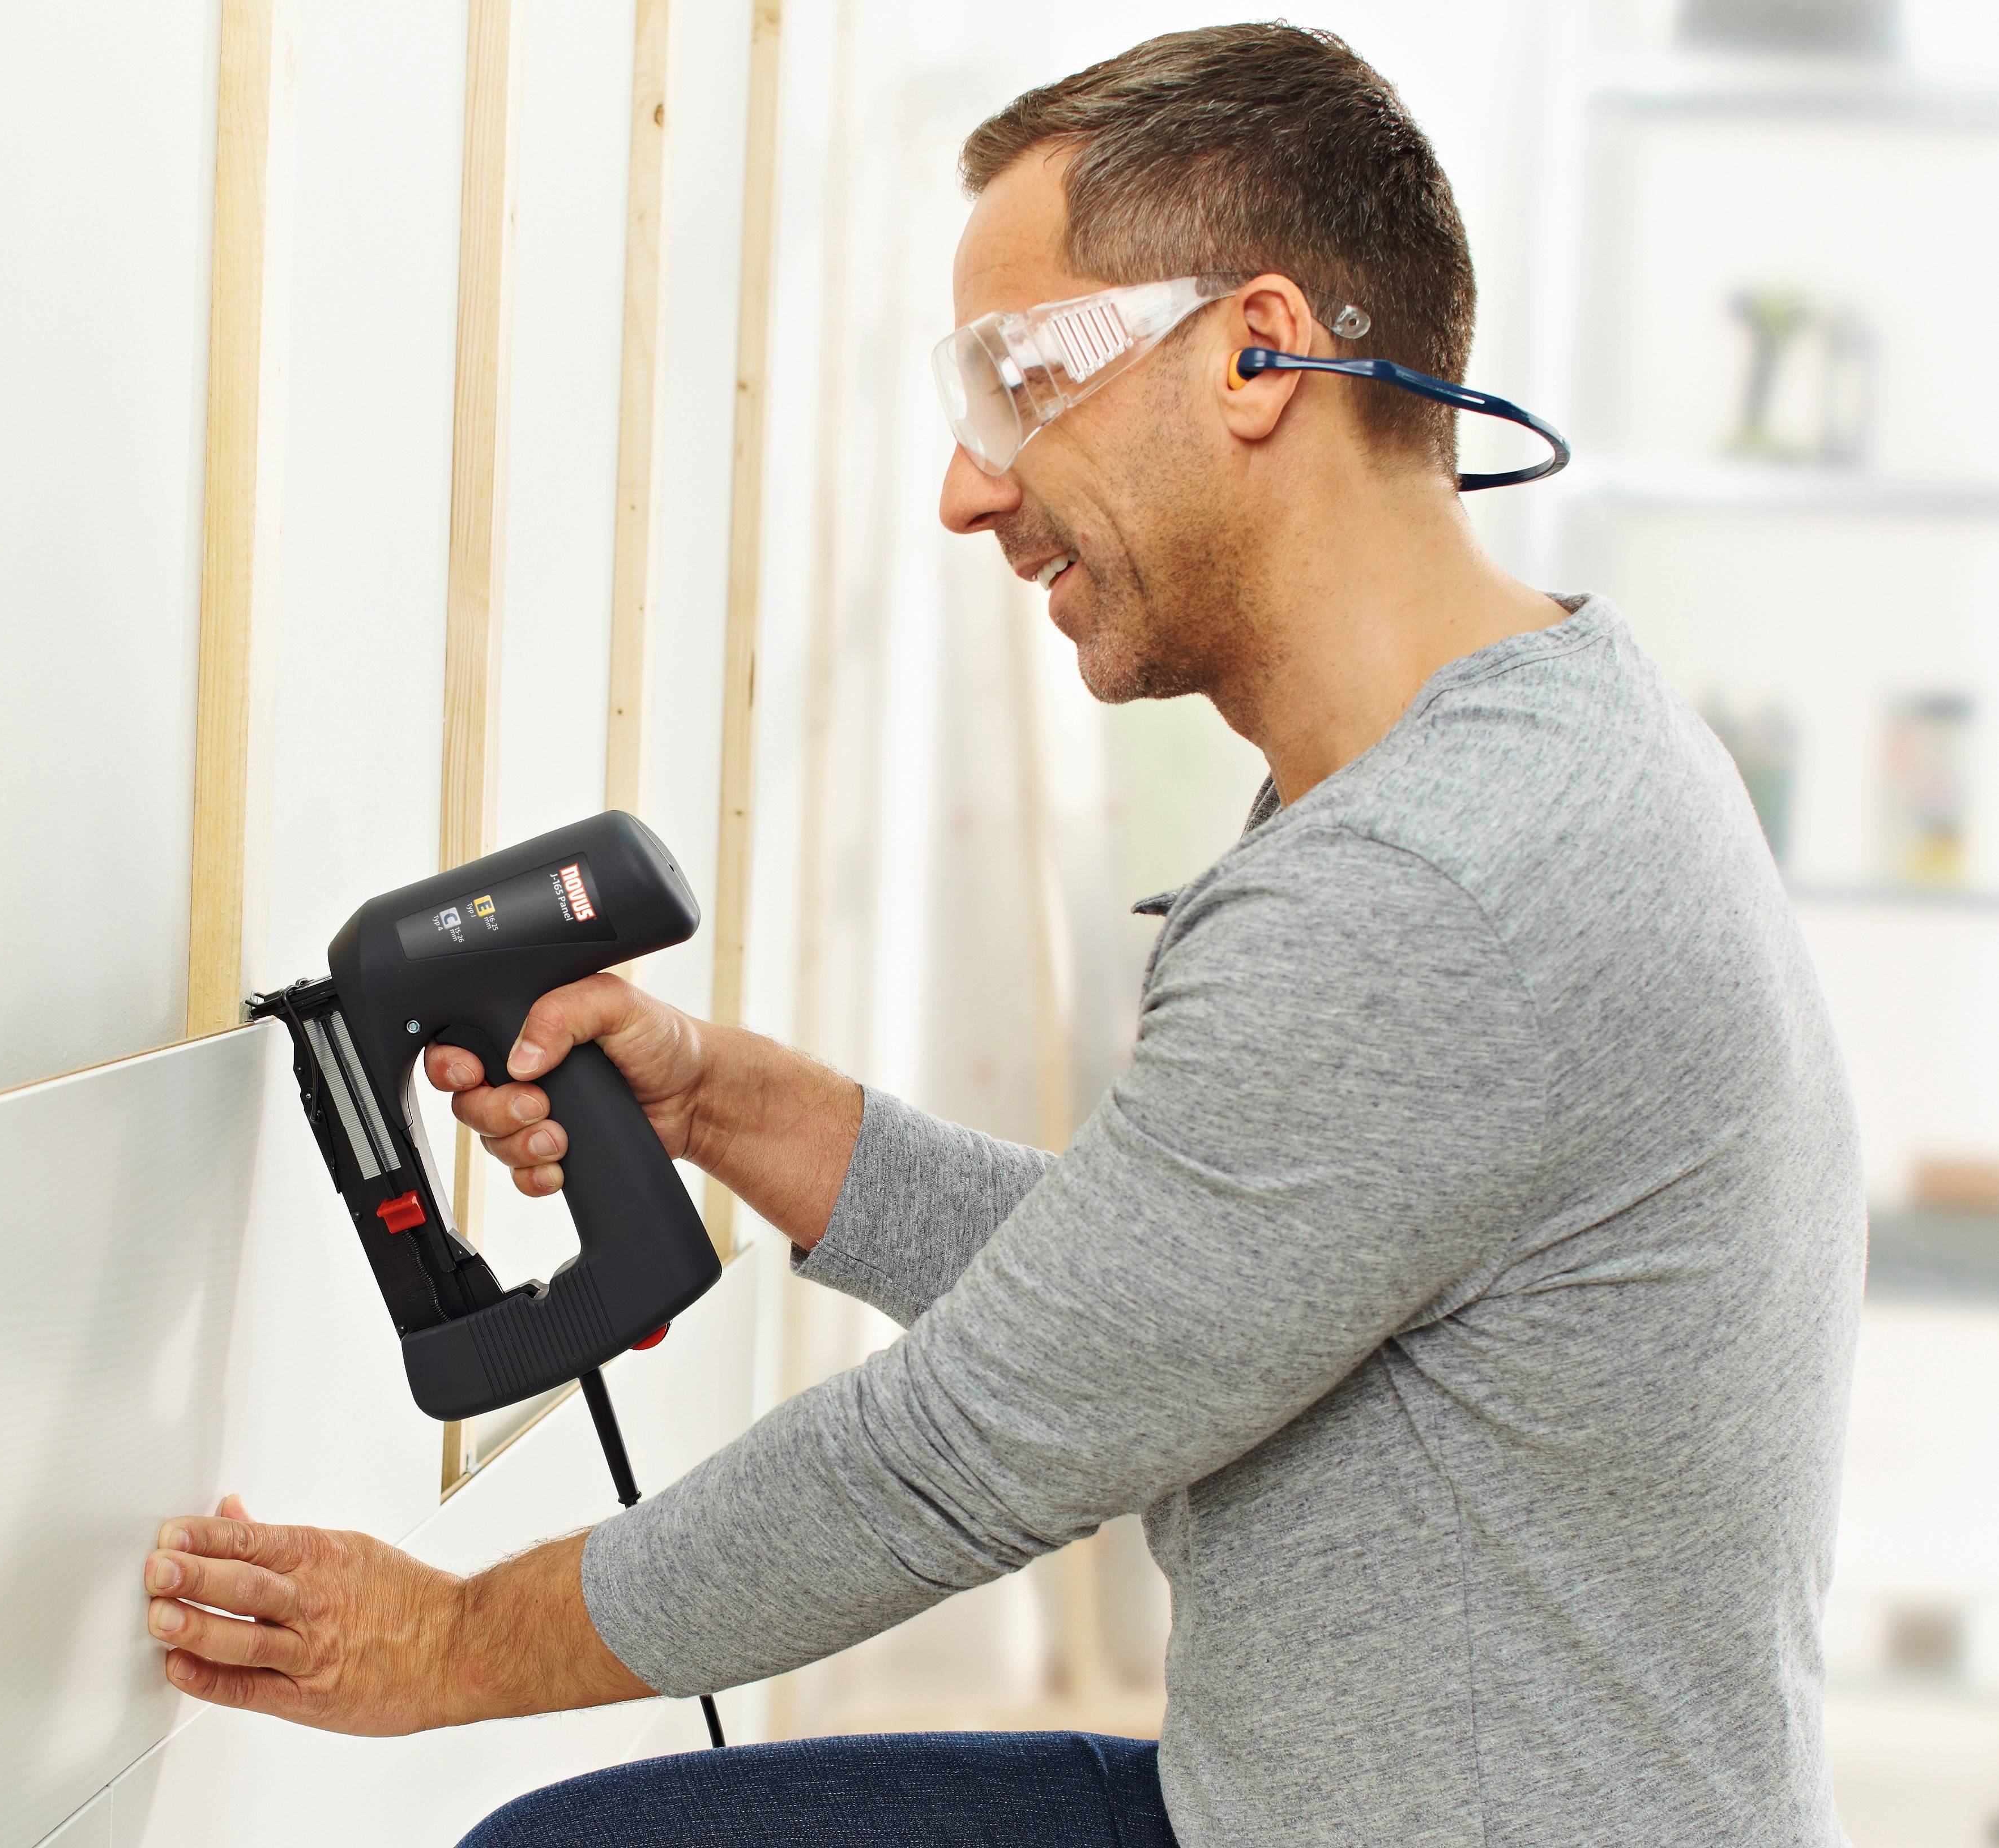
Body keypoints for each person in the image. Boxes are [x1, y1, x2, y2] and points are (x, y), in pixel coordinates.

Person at [139, 24, 1863, 1846]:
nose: (969, 488)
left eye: (1018, 380)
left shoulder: (1433, 881)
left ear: (1258, 353)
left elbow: (965, 1449)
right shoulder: (1510, 742)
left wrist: (449, 1641)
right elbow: (1175, 1291)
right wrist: (735, 1103)